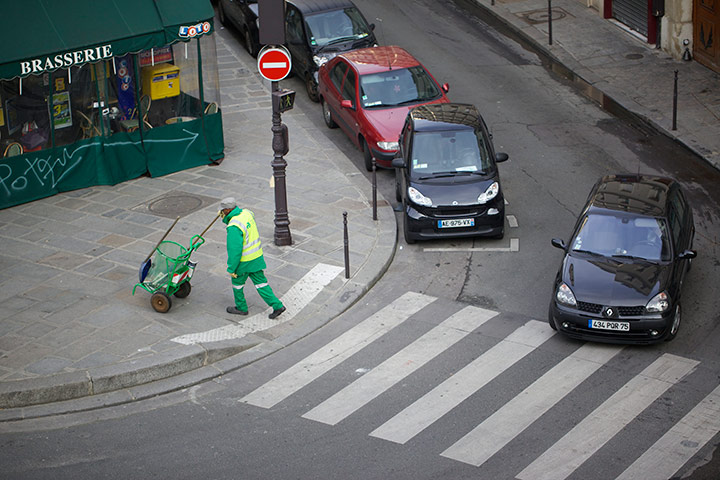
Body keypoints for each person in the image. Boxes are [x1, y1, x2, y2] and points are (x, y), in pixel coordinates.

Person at [220, 197, 286, 319]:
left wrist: (231, 268)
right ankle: (277, 305)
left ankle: (241, 307)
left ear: (227, 210)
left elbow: (234, 251)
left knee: (237, 284)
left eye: (222, 211)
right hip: (256, 257)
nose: (221, 214)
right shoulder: (247, 213)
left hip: (243, 262)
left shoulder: (234, 226)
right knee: (261, 283)